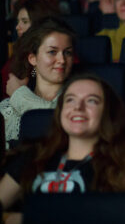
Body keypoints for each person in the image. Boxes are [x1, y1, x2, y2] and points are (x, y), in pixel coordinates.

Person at [0, 74, 125, 224]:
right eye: (70, 100)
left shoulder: (123, 165)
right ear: (60, 111)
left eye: (92, 100)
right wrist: (17, 222)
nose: (78, 107)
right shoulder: (35, 155)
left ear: (107, 112)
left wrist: (33, 219)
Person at [1, 17, 75, 148]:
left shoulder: (78, 100)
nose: (62, 60)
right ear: (33, 58)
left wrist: (19, 94)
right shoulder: (7, 107)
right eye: (52, 52)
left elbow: (57, 124)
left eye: (67, 52)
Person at [2, 0, 60, 98]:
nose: (17, 27)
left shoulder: (58, 54)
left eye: (24, 21)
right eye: (18, 21)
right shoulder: (20, 52)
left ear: (39, 24)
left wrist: (19, 93)